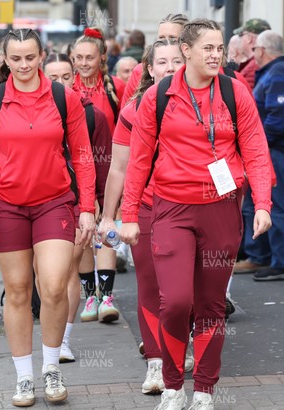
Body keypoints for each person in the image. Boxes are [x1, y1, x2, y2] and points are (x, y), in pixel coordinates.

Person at [120, 18, 273, 409]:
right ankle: (173, 385)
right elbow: (138, 160)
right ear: (186, 51)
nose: (216, 54)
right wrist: (130, 214)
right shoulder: (159, 96)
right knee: (175, 302)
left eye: (220, 47)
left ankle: (204, 389)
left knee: (209, 304)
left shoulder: (233, 92)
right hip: (172, 208)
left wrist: (263, 204)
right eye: (208, 47)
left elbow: (255, 149)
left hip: (221, 209)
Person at [0, 28, 96, 407]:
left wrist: (87, 207)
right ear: (5, 59)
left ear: (42, 56)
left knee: (53, 286)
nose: (23, 65)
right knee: (18, 290)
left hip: (54, 202)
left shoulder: (63, 98)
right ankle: (24, 377)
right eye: (15, 58)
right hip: (6, 205)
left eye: (30, 58)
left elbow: (83, 157)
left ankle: (51, 367)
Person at [100, 38, 184, 396]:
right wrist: (108, 217)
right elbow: (118, 167)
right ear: (149, 69)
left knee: (184, 292)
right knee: (151, 284)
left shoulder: (210, 104)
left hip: (194, 207)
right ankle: (156, 363)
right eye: (161, 62)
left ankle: (178, 350)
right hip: (148, 208)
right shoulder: (134, 110)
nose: (169, 67)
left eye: (176, 61)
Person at [42, 52, 113, 363]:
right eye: (53, 78)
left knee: (65, 271)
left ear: (76, 78)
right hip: (37, 200)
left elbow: (104, 162)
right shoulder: (31, 111)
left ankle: (64, 341)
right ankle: (53, 339)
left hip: (75, 201)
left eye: (66, 77)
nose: (60, 83)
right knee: (45, 279)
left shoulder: (93, 114)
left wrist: (101, 203)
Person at [234, 30, 284, 282]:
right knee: (268, 205)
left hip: (279, 152)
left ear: (262, 51)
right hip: (275, 150)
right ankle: (266, 257)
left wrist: (255, 145)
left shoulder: (279, 74)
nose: (253, 54)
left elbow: (277, 120)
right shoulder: (276, 73)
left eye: (255, 50)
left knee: (277, 206)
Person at [72, 27, 125, 324]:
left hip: (110, 168)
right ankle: (88, 295)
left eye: (89, 57)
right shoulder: (68, 89)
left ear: (102, 58)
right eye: (78, 57)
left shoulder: (115, 86)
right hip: (79, 170)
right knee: (83, 233)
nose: (83, 63)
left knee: (107, 230)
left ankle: (107, 296)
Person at [120, 13, 190, 108]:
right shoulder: (139, 71)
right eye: (161, 38)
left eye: (173, 38)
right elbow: (125, 115)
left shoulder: (196, 72)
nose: (166, 42)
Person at [232, 18, 271, 89]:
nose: (239, 40)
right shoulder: (267, 61)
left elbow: (242, 97)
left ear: (249, 38)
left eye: (241, 35)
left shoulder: (254, 66)